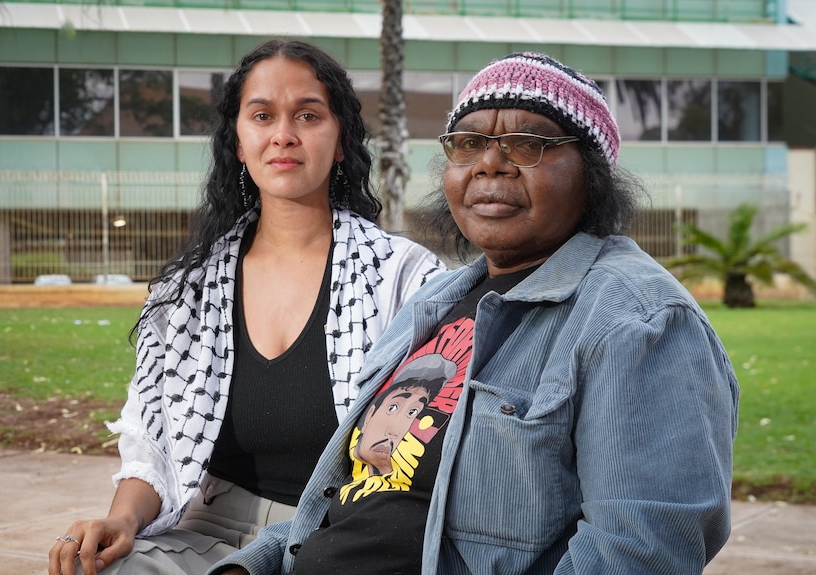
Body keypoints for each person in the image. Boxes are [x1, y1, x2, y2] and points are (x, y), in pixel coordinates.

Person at [207, 51, 739, 575]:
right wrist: (252, 564)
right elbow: (360, 498)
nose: (490, 162)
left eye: (528, 143)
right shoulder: (435, 303)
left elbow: (637, 555)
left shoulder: (640, 322)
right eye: (469, 143)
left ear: (591, 173)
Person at [48, 39, 445, 575]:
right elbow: (153, 441)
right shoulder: (187, 287)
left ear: (341, 139)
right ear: (238, 141)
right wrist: (122, 521)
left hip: (343, 534)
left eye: (307, 114)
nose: (284, 134)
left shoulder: (406, 277)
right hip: (208, 528)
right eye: (262, 115)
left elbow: (420, 449)